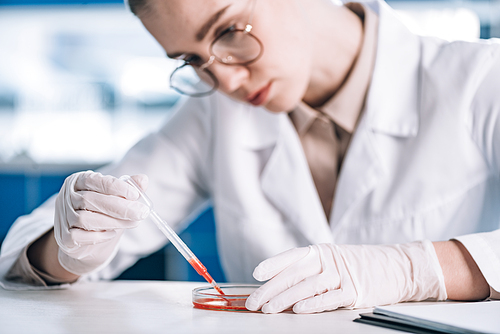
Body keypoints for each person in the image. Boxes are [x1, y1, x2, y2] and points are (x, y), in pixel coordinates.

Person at [0, 0, 499, 314]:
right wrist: (71, 246)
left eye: (228, 30)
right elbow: (22, 255)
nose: (227, 81)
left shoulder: (480, 77)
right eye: (193, 60)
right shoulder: (214, 115)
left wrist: (410, 270)